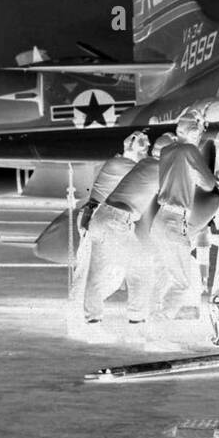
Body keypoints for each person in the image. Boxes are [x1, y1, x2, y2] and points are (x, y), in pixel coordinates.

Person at [82, 133, 175, 327]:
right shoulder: (139, 166)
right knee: (141, 270)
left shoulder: (143, 165)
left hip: (102, 218)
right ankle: (137, 321)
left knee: (98, 274)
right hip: (115, 221)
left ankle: (92, 321)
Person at [151, 106, 219, 320]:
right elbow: (209, 182)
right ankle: (159, 323)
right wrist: (211, 178)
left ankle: (148, 325)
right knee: (182, 282)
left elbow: (182, 175)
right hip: (175, 221)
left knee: (163, 275)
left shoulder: (168, 151)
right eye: (200, 131)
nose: (201, 135)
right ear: (193, 132)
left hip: (160, 219)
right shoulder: (190, 151)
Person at [69, 132, 149, 322]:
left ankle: (84, 319)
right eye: (144, 147)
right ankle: (85, 320)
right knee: (93, 274)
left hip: (100, 220)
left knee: (99, 274)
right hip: (100, 219)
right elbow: (150, 174)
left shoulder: (121, 163)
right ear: (133, 147)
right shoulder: (122, 164)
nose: (147, 151)